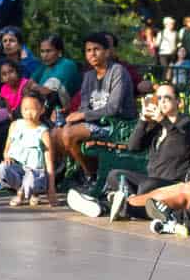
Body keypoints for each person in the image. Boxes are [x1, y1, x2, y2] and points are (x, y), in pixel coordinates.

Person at [67, 82, 190, 220]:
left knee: (147, 185)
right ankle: (120, 205)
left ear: (179, 102)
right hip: (151, 179)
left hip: (173, 184)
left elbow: (180, 144)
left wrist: (162, 120)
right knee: (115, 175)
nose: (162, 101)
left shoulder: (187, 124)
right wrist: (143, 120)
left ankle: (105, 205)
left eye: (167, 97)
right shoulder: (158, 128)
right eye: (159, 98)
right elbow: (133, 146)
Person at [125, 82, 190, 235]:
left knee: (179, 195)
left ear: (179, 102)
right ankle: (123, 205)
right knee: (166, 193)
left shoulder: (187, 124)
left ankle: (127, 208)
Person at [53, 32, 135, 186]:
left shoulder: (118, 71)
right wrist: (73, 119)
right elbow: (85, 105)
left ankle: (92, 176)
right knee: (56, 133)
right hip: (96, 123)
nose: (92, 54)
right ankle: (81, 173)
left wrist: (82, 115)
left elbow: (114, 108)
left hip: (117, 125)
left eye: (96, 49)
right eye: (88, 50)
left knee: (69, 134)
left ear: (107, 52)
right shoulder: (89, 76)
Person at [0, 90, 57, 207]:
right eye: (25, 109)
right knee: (2, 169)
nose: (28, 113)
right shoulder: (15, 125)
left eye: (32, 109)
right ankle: (20, 191)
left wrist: (51, 190)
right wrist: (7, 157)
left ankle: (28, 193)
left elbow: (49, 163)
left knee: (31, 180)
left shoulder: (43, 132)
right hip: (18, 168)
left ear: (42, 110)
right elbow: (7, 148)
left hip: (36, 172)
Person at [30, 35, 80, 105]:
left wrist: (35, 87)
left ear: (59, 52)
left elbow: (49, 91)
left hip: (63, 110)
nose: (44, 55)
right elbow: (28, 86)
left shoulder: (67, 65)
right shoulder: (43, 66)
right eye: (42, 51)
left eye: (48, 51)